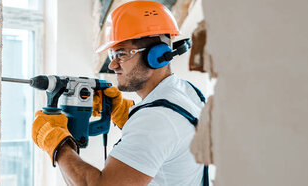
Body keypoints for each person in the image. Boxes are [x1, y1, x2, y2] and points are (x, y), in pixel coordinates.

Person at [31, 1, 206, 185]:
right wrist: (125, 113)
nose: (112, 65)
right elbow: (169, 141)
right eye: (112, 55)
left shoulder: (156, 119)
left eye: (121, 54)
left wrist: (57, 145)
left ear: (157, 55)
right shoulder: (187, 92)